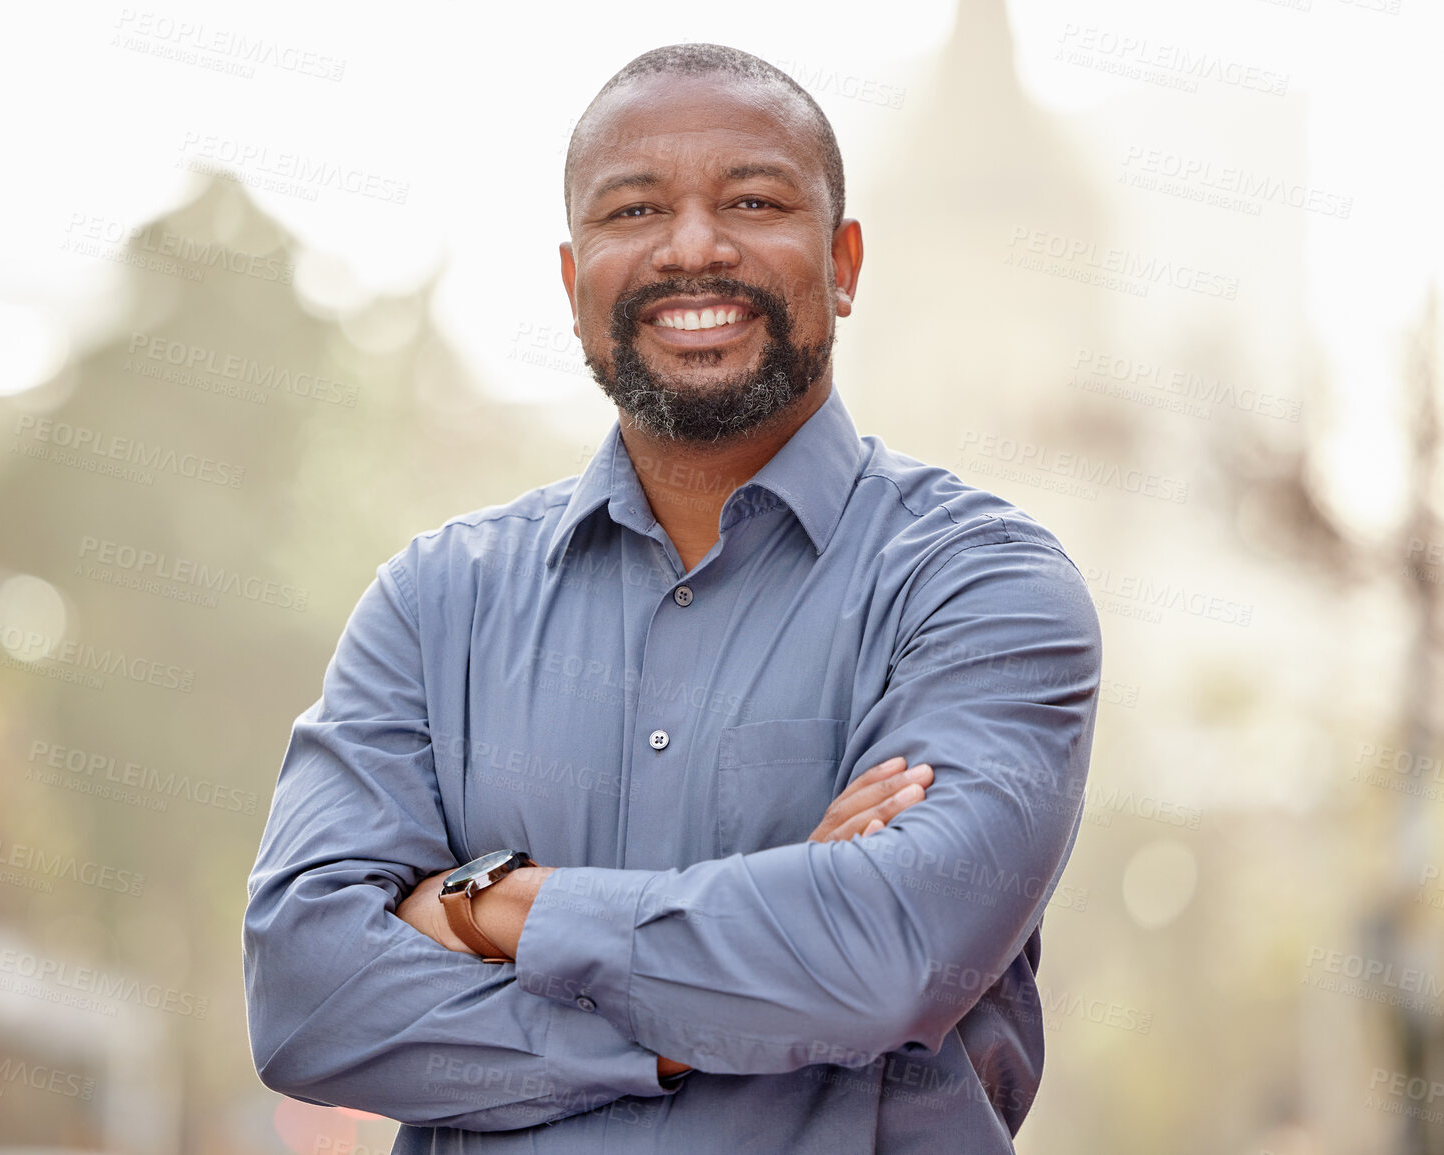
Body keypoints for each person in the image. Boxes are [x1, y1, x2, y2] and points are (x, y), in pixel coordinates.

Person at [244, 42, 1101, 1153]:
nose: (694, 247)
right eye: (634, 211)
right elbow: (308, 1002)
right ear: (572, 285)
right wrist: (697, 1017)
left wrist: (489, 905)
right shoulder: (434, 608)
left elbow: (889, 954)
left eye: (752, 199)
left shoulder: (981, 590)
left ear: (843, 263)